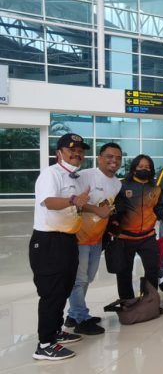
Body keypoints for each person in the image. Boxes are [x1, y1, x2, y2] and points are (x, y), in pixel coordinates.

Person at [30, 133, 91, 360]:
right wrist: (74, 200)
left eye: (80, 150)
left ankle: (55, 332)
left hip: (67, 239)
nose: (77, 153)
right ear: (60, 153)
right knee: (52, 293)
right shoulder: (51, 174)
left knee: (64, 288)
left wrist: (92, 208)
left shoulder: (75, 177)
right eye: (71, 149)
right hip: (48, 241)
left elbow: (80, 204)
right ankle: (44, 344)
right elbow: (49, 201)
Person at [65, 143, 122, 335]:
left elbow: (108, 209)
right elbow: (72, 200)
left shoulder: (117, 183)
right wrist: (97, 209)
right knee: (79, 279)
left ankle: (73, 314)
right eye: (109, 156)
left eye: (118, 158)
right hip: (79, 236)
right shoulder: (85, 176)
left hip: (97, 238)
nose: (113, 161)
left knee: (87, 278)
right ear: (99, 157)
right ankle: (82, 318)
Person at [112, 155, 162, 304]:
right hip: (125, 237)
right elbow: (114, 209)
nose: (144, 169)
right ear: (134, 168)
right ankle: (127, 303)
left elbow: (159, 208)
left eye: (147, 167)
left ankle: (150, 302)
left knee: (152, 270)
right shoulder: (122, 186)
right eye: (140, 167)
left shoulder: (156, 188)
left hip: (148, 236)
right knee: (124, 273)